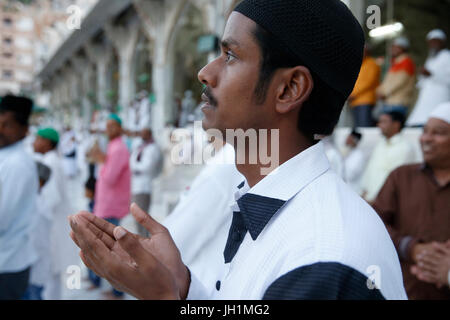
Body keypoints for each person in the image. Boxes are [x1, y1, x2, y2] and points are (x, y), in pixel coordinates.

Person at [69, 0, 407, 300]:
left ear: (289, 89)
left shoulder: (322, 259)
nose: (205, 73)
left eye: (230, 55)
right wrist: (181, 286)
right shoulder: (266, 201)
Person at [372, 102, 450, 299]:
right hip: (403, 291)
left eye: (438, 133)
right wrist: (410, 247)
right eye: (425, 131)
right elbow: (374, 224)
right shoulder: (401, 177)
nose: (426, 139)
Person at [88, 113, 131, 299]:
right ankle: (99, 281)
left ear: (120, 128)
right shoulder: (113, 147)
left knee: (112, 249)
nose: (109, 129)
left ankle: (118, 290)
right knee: (101, 246)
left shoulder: (119, 148)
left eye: (113, 126)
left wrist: (100, 160)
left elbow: (110, 178)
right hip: (105, 202)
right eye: (107, 126)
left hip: (111, 205)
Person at [0, 95, 39, 300]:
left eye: (8, 125)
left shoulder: (17, 164)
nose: (0, 129)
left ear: (24, 131)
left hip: (7, 265)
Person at [32, 127, 75, 300]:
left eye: (38, 139)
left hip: (52, 225)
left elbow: (50, 199)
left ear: (47, 142)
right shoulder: (51, 160)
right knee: (53, 272)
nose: (34, 143)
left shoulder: (50, 162)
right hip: (54, 224)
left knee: (50, 272)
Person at [360, 111, 417, 202]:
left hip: (387, 203)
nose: (379, 125)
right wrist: (364, 193)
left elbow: (400, 180)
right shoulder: (380, 144)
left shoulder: (406, 148)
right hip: (369, 201)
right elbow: (371, 170)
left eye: (384, 122)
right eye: (380, 122)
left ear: (396, 125)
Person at [407, 29, 450, 127]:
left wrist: (431, 75)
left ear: (442, 42)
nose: (433, 44)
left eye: (435, 41)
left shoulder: (447, 56)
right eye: (431, 42)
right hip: (426, 97)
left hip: (440, 97)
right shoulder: (430, 59)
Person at [22, 162, 52, 300]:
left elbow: (35, 243)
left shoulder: (37, 208)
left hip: (32, 270)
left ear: (39, 182)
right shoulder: (33, 202)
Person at [130, 128, 162, 237]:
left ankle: (145, 239)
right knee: (136, 215)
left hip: (144, 187)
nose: (141, 135)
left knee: (142, 215)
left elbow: (147, 167)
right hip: (136, 185)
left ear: (149, 134)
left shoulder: (153, 148)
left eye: (144, 133)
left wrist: (135, 167)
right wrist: (135, 167)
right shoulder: (140, 146)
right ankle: (143, 238)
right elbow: (132, 162)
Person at [376, 37, 416, 116]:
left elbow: (399, 82)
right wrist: (379, 91)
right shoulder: (397, 62)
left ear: (403, 48)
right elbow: (388, 81)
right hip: (390, 102)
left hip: (398, 103)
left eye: (396, 47)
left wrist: (384, 93)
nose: (392, 49)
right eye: (392, 47)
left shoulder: (406, 62)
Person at [348, 45, 381, 127]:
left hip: (365, 101)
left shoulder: (372, 64)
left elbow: (368, 83)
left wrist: (352, 94)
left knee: (364, 127)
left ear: (367, 52)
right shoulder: (359, 64)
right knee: (358, 127)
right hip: (355, 101)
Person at [343, 129, 366, 194]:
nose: (346, 139)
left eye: (349, 138)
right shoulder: (348, 152)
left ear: (354, 140)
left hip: (353, 190)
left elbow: (349, 175)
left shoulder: (359, 156)